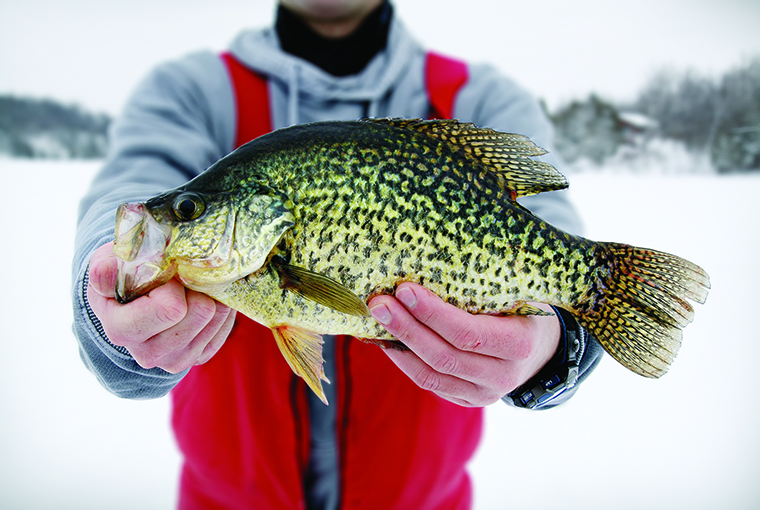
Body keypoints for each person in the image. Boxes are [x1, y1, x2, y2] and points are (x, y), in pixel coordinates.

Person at [72, 1, 604, 508]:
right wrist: (113, 309)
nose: (173, 221)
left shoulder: (478, 95)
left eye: (188, 210)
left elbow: (549, 224)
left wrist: (553, 343)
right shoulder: (189, 91)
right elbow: (127, 192)